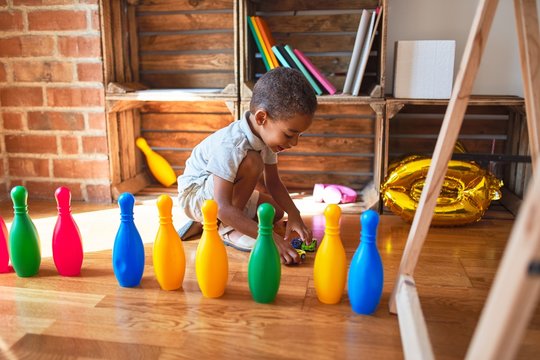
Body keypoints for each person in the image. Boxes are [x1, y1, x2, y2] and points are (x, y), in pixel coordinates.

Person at [177, 67, 317, 265]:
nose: (294, 143)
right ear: (262, 118)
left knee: (275, 210)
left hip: (220, 195)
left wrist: (294, 214)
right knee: (253, 162)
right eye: (289, 134)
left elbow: (274, 183)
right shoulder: (233, 145)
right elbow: (224, 207)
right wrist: (273, 239)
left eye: (298, 136)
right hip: (196, 194)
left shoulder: (264, 136)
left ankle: (208, 222)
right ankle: (226, 229)